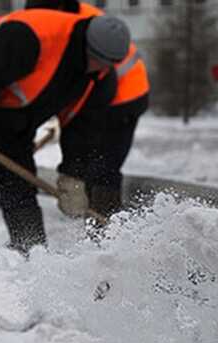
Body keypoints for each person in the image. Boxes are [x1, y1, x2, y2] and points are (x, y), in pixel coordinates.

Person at [0, 9, 129, 258]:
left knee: (19, 184)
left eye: (107, 65)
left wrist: (72, 177)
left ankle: (32, 254)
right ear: (86, 46)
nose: (100, 68)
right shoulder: (28, 39)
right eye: (98, 61)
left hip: (12, 109)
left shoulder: (99, 78)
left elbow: (83, 129)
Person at [27, 0, 150, 217]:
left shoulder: (78, 25)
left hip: (123, 97)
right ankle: (99, 223)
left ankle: (105, 226)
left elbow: (74, 78)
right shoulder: (74, 19)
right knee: (96, 163)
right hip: (109, 94)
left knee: (102, 166)